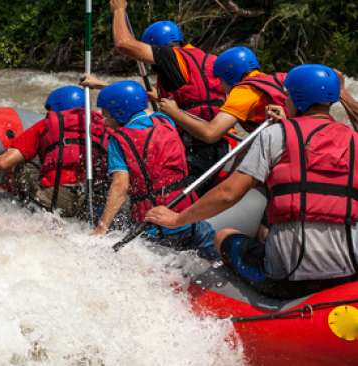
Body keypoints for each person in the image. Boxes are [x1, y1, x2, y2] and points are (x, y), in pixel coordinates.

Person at [145, 64, 358, 299]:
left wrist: (177, 219)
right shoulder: (354, 140)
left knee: (222, 236)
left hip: (288, 276)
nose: (285, 99)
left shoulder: (275, 135)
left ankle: (231, 300)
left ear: (297, 98)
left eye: (287, 95)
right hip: (348, 271)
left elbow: (229, 193)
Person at [105, 0, 230, 193]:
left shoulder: (169, 55)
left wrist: (119, 10)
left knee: (170, 199)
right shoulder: (206, 59)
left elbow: (123, 43)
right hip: (217, 144)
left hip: (195, 148)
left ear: (156, 46)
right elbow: (196, 97)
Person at [91, 80, 216, 259]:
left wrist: (101, 228)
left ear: (120, 113)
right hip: (191, 216)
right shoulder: (164, 120)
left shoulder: (118, 141)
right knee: (215, 259)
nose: (104, 122)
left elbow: (120, 186)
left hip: (156, 226)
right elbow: (140, 104)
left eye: (107, 115)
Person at [0, 85, 109, 218]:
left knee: (24, 162)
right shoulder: (104, 127)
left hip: (56, 200)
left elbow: (3, 163)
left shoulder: (46, 125)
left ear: (54, 108)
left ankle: (20, 199)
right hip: (92, 201)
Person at [159, 46, 288, 143]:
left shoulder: (245, 92)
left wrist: (175, 113)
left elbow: (210, 134)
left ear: (229, 76)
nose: (220, 86)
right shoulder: (272, 79)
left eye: (220, 80)